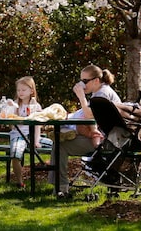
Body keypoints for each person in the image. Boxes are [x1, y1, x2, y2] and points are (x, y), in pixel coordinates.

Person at [50, 64, 121, 198]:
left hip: (106, 142)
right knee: (59, 143)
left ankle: (61, 188)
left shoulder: (102, 94)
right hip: (103, 138)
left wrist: (81, 97)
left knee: (60, 146)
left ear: (96, 81)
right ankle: (60, 187)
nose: (82, 85)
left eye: (85, 81)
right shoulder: (99, 92)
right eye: (81, 81)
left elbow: (89, 115)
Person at [8, 76, 43, 188]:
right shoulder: (15, 104)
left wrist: (36, 140)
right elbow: (11, 125)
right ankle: (20, 181)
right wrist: (8, 110)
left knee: (57, 146)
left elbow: (38, 126)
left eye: (23, 90)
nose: (20, 92)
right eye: (18, 90)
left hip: (32, 135)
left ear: (31, 91)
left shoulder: (35, 106)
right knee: (15, 154)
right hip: (18, 135)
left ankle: (54, 177)